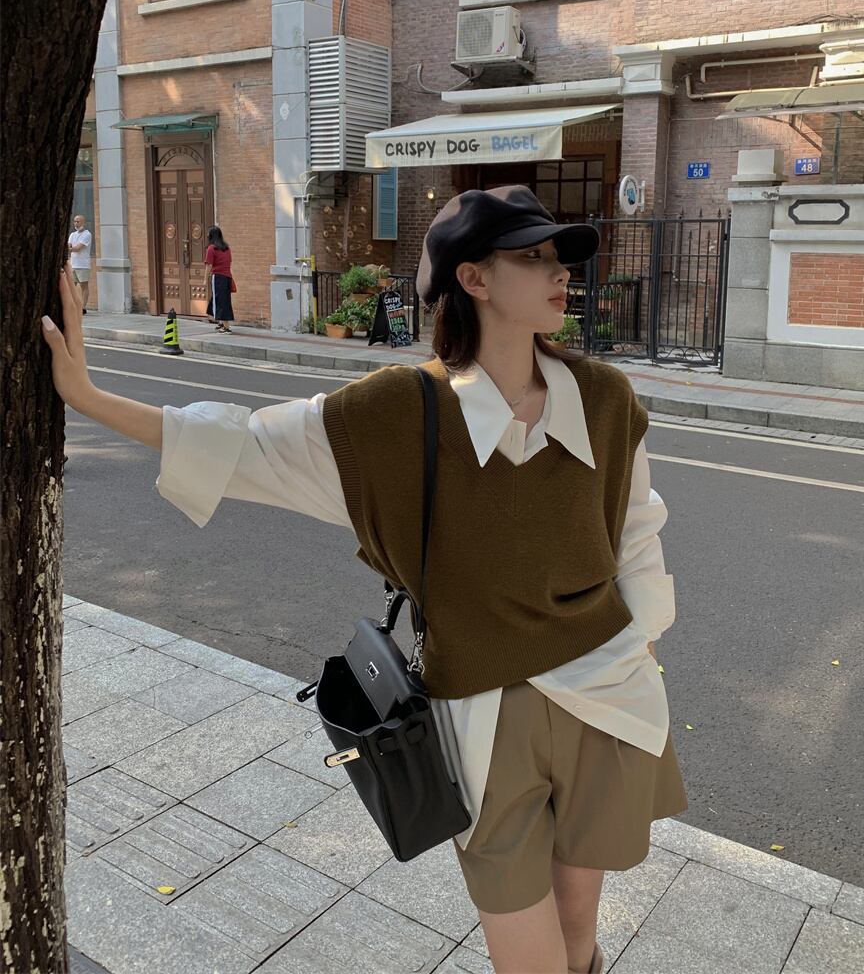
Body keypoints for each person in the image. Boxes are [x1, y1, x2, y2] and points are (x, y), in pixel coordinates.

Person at [42, 185, 686, 974]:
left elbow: (637, 530)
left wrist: (644, 638)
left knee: (580, 929)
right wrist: (88, 396)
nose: (560, 274)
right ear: (473, 279)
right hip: (484, 716)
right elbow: (245, 446)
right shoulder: (396, 413)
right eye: (533, 257)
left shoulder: (604, 398)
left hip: (606, 693)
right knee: (528, 955)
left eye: (560, 257)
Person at [204, 225, 234, 332]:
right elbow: (229, 262)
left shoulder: (211, 248)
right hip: (227, 277)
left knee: (220, 301)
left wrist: (205, 279)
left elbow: (209, 265)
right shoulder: (226, 248)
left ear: (211, 236)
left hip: (218, 277)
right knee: (224, 299)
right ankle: (221, 323)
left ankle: (226, 327)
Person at [67, 214, 92, 314]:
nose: (76, 223)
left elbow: (78, 248)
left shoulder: (87, 234)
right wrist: (70, 248)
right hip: (73, 264)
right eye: (75, 221)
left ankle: (83, 307)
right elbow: (69, 246)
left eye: (78, 221)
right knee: (72, 286)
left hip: (83, 265)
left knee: (83, 286)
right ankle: (73, 306)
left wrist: (69, 249)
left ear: (83, 222)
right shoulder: (72, 235)